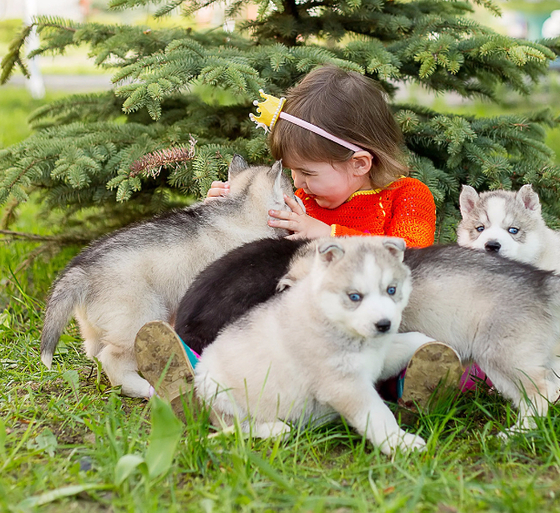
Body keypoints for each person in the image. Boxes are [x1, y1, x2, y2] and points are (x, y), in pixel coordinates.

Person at [135, 65, 476, 418]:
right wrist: (226, 208)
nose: (298, 183)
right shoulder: (303, 201)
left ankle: (418, 385)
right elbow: (253, 250)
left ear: (360, 163)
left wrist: (329, 234)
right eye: (293, 172)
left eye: (308, 173)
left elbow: (412, 252)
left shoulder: (407, 196)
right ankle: (195, 369)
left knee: (403, 352)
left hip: (376, 325)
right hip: (308, 331)